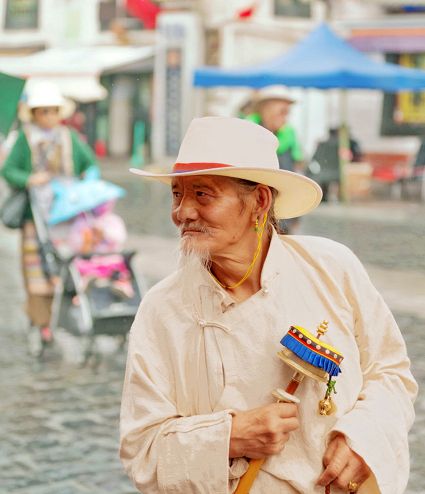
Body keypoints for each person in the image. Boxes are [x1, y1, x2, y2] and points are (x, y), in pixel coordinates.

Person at [120, 117, 417, 494]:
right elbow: (142, 451)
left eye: (203, 194)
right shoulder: (162, 310)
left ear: (259, 201)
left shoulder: (331, 267)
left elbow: (390, 371)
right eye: (177, 195)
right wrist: (229, 437)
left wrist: (363, 441)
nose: (183, 212)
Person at [0, 80, 99, 342]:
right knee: (37, 269)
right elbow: (9, 170)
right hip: (35, 218)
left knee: (69, 263)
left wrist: (87, 182)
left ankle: (71, 311)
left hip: (68, 215)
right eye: (44, 111)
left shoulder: (69, 137)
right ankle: (41, 321)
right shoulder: (25, 139)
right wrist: (29, 179)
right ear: (34, 114)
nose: (49, 116)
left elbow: (89, 163)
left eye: (53, 111)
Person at [245, 85, 303, 233]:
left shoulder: (288, 134)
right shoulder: (247, 130)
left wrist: (295, 216)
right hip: (251, 212)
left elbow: (294, 172)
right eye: (282, 112)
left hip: (282, 215)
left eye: (287, 113)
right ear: (266, 108)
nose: (285, 118)